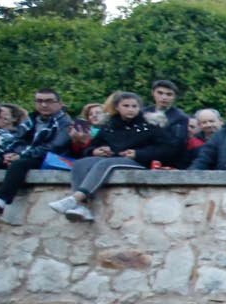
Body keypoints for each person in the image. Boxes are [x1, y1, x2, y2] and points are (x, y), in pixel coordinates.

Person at [48, 90, 166, 222]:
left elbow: (164, 149)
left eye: (134, 106)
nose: (130, 109)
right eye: (126, 106)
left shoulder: (150, 125)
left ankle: (75, 199)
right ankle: (82, 207)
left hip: (139, 161)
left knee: (106, 164)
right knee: (81, 163)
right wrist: (95, 151)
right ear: (117, 107)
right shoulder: (109, 125)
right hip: (112, 158)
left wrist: (138, 154)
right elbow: (91, 146)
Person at [0, 89, 72, 220]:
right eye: (40, 101)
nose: (44, 105)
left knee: (19, 165)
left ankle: (0, 202)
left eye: (49, 101)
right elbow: (16, 140)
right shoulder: (30, 120)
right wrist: (8, 154)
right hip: (23, 155)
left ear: (59, 103)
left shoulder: (66, 123)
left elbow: (55, 146)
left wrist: (22, 156)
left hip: (46, 158)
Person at [143, 79, 195, 170]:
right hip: (143, 158)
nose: (164, 97)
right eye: (160, 93)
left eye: (169, 94)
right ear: (153, 93)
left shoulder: (180, 117)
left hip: (169, 163)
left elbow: (177, 145)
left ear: (174, 97)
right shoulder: (143, 113)